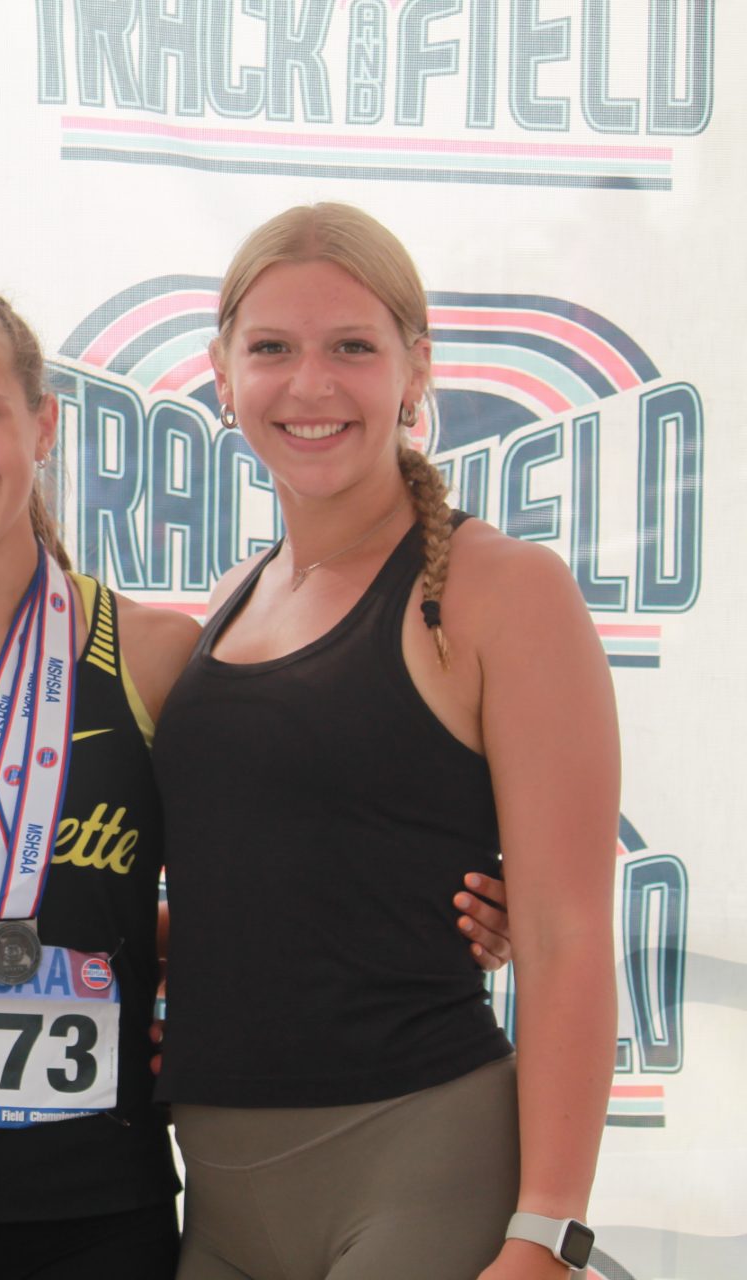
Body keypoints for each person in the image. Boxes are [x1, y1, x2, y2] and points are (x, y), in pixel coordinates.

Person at [0, 283, 515, 1279]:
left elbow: (266, 874)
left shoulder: (157, 653)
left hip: (92, 1210)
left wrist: (439, 907)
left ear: (44, 425)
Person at [153, 203, 617, 1280]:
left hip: (421, 1165)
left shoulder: (502, 590)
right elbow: (269, 876)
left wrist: (548, 1233)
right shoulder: (231, 597)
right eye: (273, 348)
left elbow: (566, 934)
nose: (310, 385)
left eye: (352, 347)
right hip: (217, 1188)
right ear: (222, 373)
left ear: (416, 368)